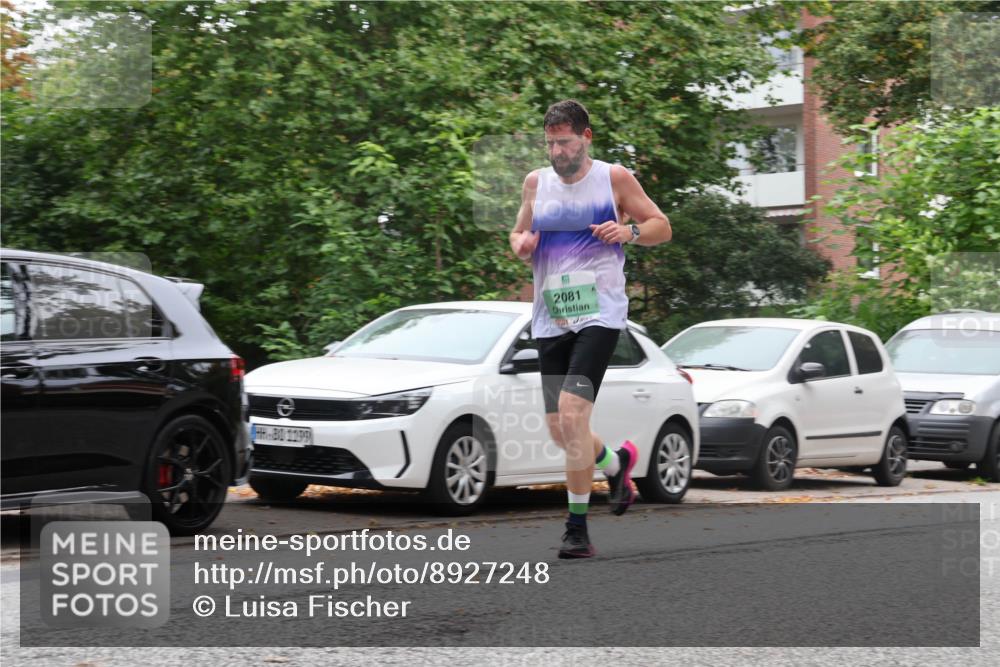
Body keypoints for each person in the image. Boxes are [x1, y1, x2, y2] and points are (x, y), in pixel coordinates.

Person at [509, 99, 672, 558]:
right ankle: (616, 463)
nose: (558, 151)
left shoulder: (614, 178)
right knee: (560, 430)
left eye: (565, 141)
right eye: (550, 143)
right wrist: (522, 244)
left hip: (599, 314)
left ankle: (576, 530)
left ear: (586, 137)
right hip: (551, 316)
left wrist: (630, 234)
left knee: (574, 416)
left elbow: (662, 225)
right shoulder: (535, 184)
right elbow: (518, 235)